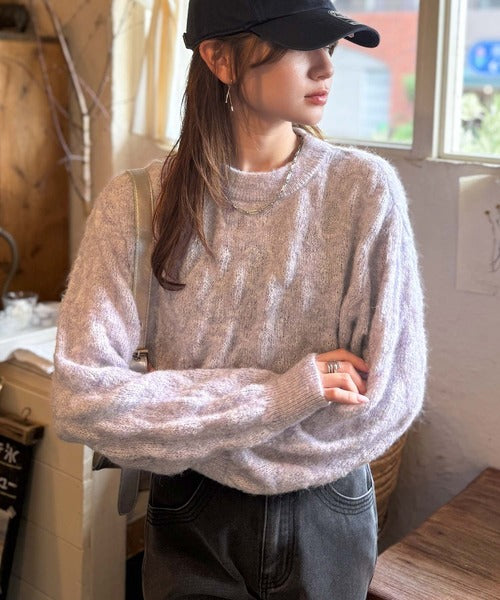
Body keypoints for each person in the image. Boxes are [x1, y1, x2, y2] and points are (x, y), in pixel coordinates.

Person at [51, 1, 427, 598]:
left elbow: (389, 399)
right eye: (300, 43)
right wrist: (286, 395)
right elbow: (82, 400)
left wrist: (192, 422)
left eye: (330, 44)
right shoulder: (137, 205)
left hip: (326, 510)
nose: (326, 67)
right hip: (193, 512)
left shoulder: (363, 192)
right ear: (219, 59)